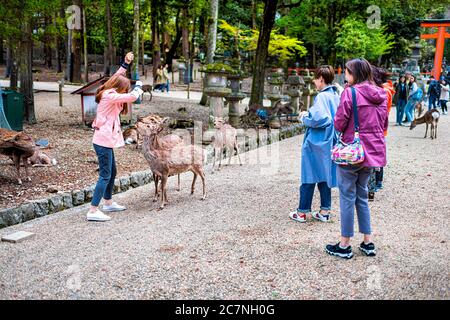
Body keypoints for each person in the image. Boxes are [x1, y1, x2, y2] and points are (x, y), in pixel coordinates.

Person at [326, 58, 388, 259]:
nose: (345, 75)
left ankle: (344, 245)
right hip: (371, 153)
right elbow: (384, 123)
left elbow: (339, 122)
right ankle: (368, 242)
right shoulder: (382, 94)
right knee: (362, 196)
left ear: (355, 74)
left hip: (351, 152)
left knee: (347, 196)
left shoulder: (350, 93)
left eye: (347, 71)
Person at [87, 52, 143, 222]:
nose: (125, 90)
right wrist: (139, 86)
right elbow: (132, 96)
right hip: (102, 141)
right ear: (120, 88)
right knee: (105, 175)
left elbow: (116, 77)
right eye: (124, 88)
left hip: (105, 140)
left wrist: (125, 64)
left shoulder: (109, 89)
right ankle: (93, 210)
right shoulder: (110, 96)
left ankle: (108, 202)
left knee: (112, 172)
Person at [288, 66, 340, 223]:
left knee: (308, 175)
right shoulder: (335, 96)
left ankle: (302, 212)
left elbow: (321, 119)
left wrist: (304, 118)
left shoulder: (322, 97)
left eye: (316, 79)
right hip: (329, 141)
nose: (314, 82)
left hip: (316, 142)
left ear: (321, 79)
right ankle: (324, 211)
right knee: (325, 176)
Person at [367, 66, 395, 201]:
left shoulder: (383, 91)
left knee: (375, 157)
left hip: (376, 127)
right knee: (377, 155)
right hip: (379, 127)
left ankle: (376, 183)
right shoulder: (386, 89)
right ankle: (376, 182)